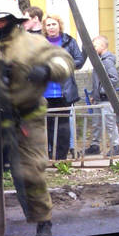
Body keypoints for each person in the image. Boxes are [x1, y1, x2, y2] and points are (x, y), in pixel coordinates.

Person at [0, 0, 74, 236]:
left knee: (30, 173)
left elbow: (64, 62)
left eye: (4, 21)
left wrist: (47, 69)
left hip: (27, 120)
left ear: (15, 21)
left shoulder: (33, 44)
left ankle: (44, 225)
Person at [41, 14, 86, 160]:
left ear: (59, 25)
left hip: (64, 92)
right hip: (45, 92)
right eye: (48, 25)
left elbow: (79, 60)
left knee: (63, 127)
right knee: (48, 126)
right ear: (45, 28)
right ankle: (50, 155)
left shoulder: (69, 41)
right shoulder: (40, 43)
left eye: (54, 24)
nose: (51, 27)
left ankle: (61, 157)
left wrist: (64, 63)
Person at [84, 36, 119, 156]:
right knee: (96, 123)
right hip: (99, 99)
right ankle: (95, 146)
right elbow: (98, 80)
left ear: (103, 46)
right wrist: (95, 94)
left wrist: (102, 91)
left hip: (106, 99)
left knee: (110, 123)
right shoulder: (99, 60)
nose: (93, 49)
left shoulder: (107, 61)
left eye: (95, 46)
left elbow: (114, 79)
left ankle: (116, 146)